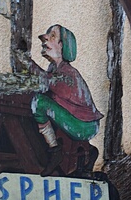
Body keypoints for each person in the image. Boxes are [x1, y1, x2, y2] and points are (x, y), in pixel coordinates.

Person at [18, 24, 103, 176]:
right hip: (76, 119)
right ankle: (87, 152)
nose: (45, 40)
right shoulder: (54, 69)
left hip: (84, 125)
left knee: (39, 103)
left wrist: (25, 60)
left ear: (62, 46)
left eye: (52, 37)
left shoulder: (68, 73)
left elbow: (46, 82)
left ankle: (55, 150)